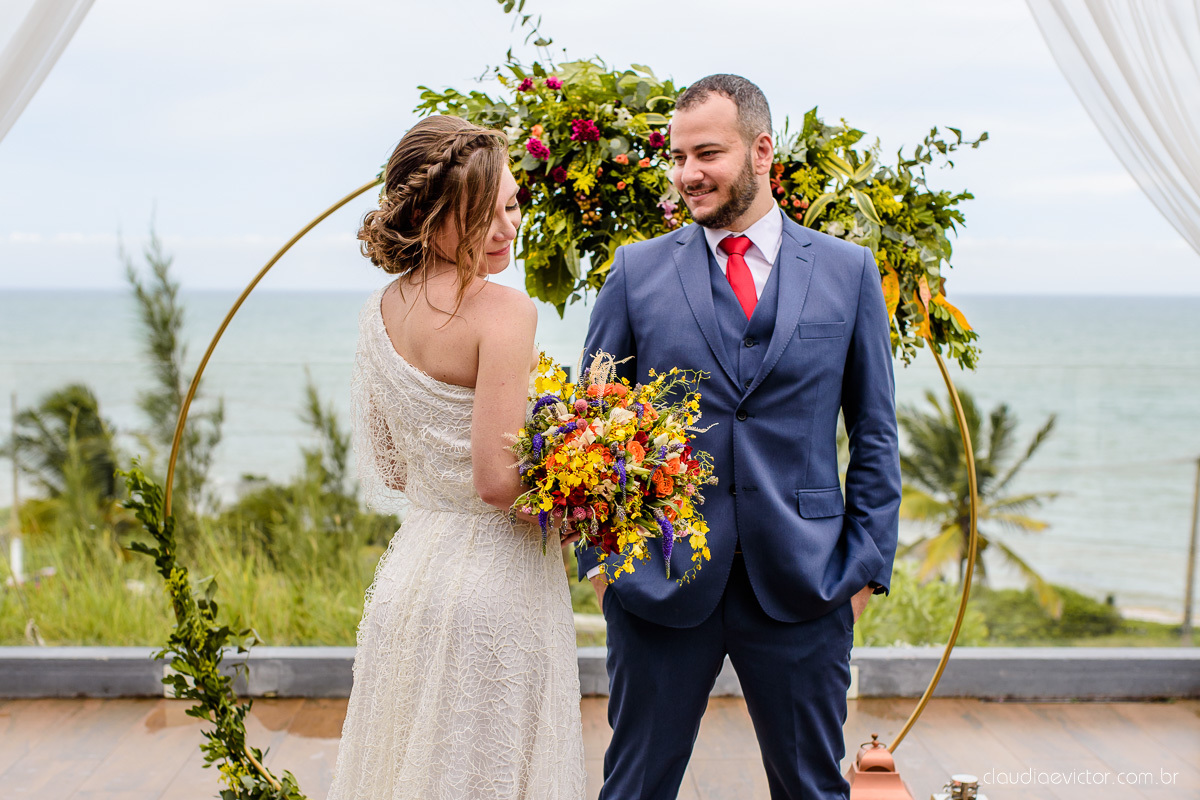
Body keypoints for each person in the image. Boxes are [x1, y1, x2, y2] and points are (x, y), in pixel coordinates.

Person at [579, 74, 901, 799]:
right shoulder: (635, 272)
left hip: (808, 583)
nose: (688, 173)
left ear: (761, 150)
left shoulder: (848, 272)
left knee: (812, 791)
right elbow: (591, 428)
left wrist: (863, 570)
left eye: (707, 154)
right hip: (661, 583)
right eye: (678, 155)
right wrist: (605, 569)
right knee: (633, 789)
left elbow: (875, 432)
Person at [328, 114, 585, 800]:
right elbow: (500, 484)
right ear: (434, 216)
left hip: (412, 580)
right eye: (486, 215)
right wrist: (581, 494)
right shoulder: (504, 313)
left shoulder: (383, 308)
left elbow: (390, 467)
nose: (509, 227)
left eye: (513, 204)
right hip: (495, 593)